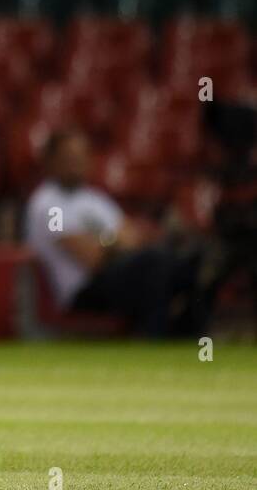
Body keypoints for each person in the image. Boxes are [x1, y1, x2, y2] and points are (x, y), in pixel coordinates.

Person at [24, 128, 210, 336]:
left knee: (188, 265)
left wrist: (108, 243)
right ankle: (154, 339)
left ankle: (191, 340)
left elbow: (132, 238)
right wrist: (116, 243)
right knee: (155, 264)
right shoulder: (47, 203)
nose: (76, 163)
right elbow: (91, 258)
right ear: (51, 161)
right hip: (82, 290)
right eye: (68, 157)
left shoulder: (94, 198)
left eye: (80, 156)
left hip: (116, 274)